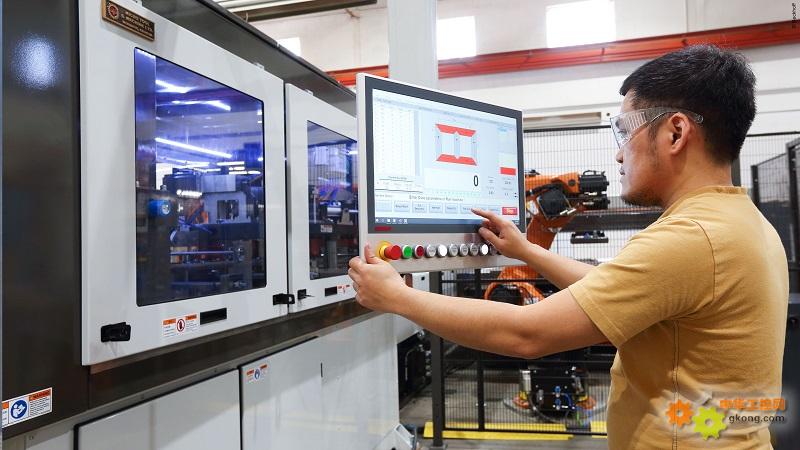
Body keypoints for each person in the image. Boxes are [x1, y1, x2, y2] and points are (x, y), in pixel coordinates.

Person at [348, 44, 788, 449]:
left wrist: (397, 297)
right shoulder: (742, 222)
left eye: (624, 131)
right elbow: (612, 287)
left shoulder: (689, 238)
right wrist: (526, 250)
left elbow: (526, 334)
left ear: (675, 133)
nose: (619, 155)